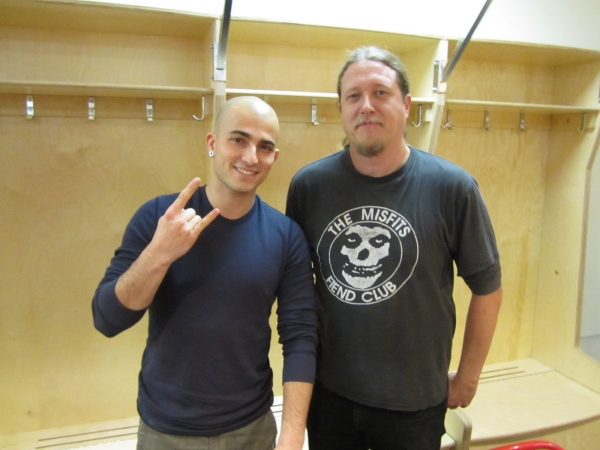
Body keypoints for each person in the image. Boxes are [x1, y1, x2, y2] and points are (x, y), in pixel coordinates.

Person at [286, 46, 503, 450]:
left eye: (380, 93)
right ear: (341, 108)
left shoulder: (452, 187)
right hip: (331, 397)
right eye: (354, 96)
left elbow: (488, 288)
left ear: (406, 104)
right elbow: (296, 295)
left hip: (415, 406)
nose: (366, 106)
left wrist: (468, 378)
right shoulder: (309, 187)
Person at [92, 96, 318, 450]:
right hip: (166, 431)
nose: (250, 157)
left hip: (252, 429)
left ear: (274, 157)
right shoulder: (160, 217)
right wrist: (159, 253)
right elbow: (108, 319)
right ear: (213, 143)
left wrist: (292, 435)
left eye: (264, 147)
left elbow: (301, 335)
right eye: (238, 139)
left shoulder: (285, 236)